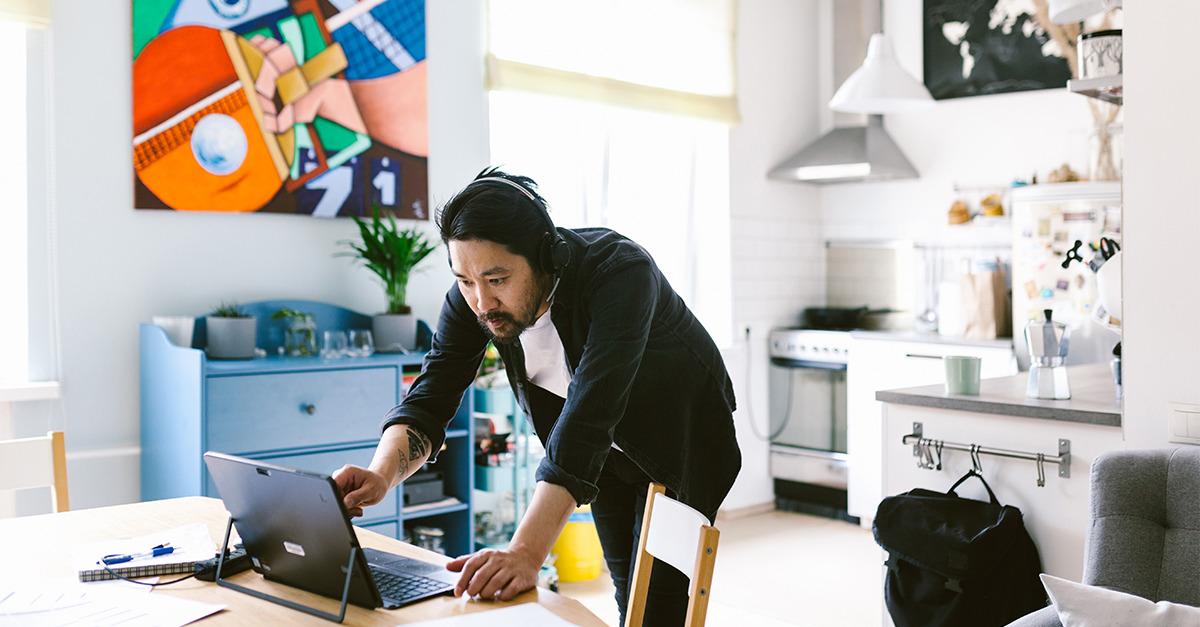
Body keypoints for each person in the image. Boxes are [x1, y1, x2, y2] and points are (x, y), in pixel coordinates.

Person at [333, 168, 740, 625]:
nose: (481, 302)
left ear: (547, 256)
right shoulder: (474, 296)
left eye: (497, 280)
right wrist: (381, 474)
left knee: (658, 609)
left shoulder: (621, 272)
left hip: (683, 442)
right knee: (630, 596)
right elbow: (431, 396)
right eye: (465, 281)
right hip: (606, 455)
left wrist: (526, 552)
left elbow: (590, 412)